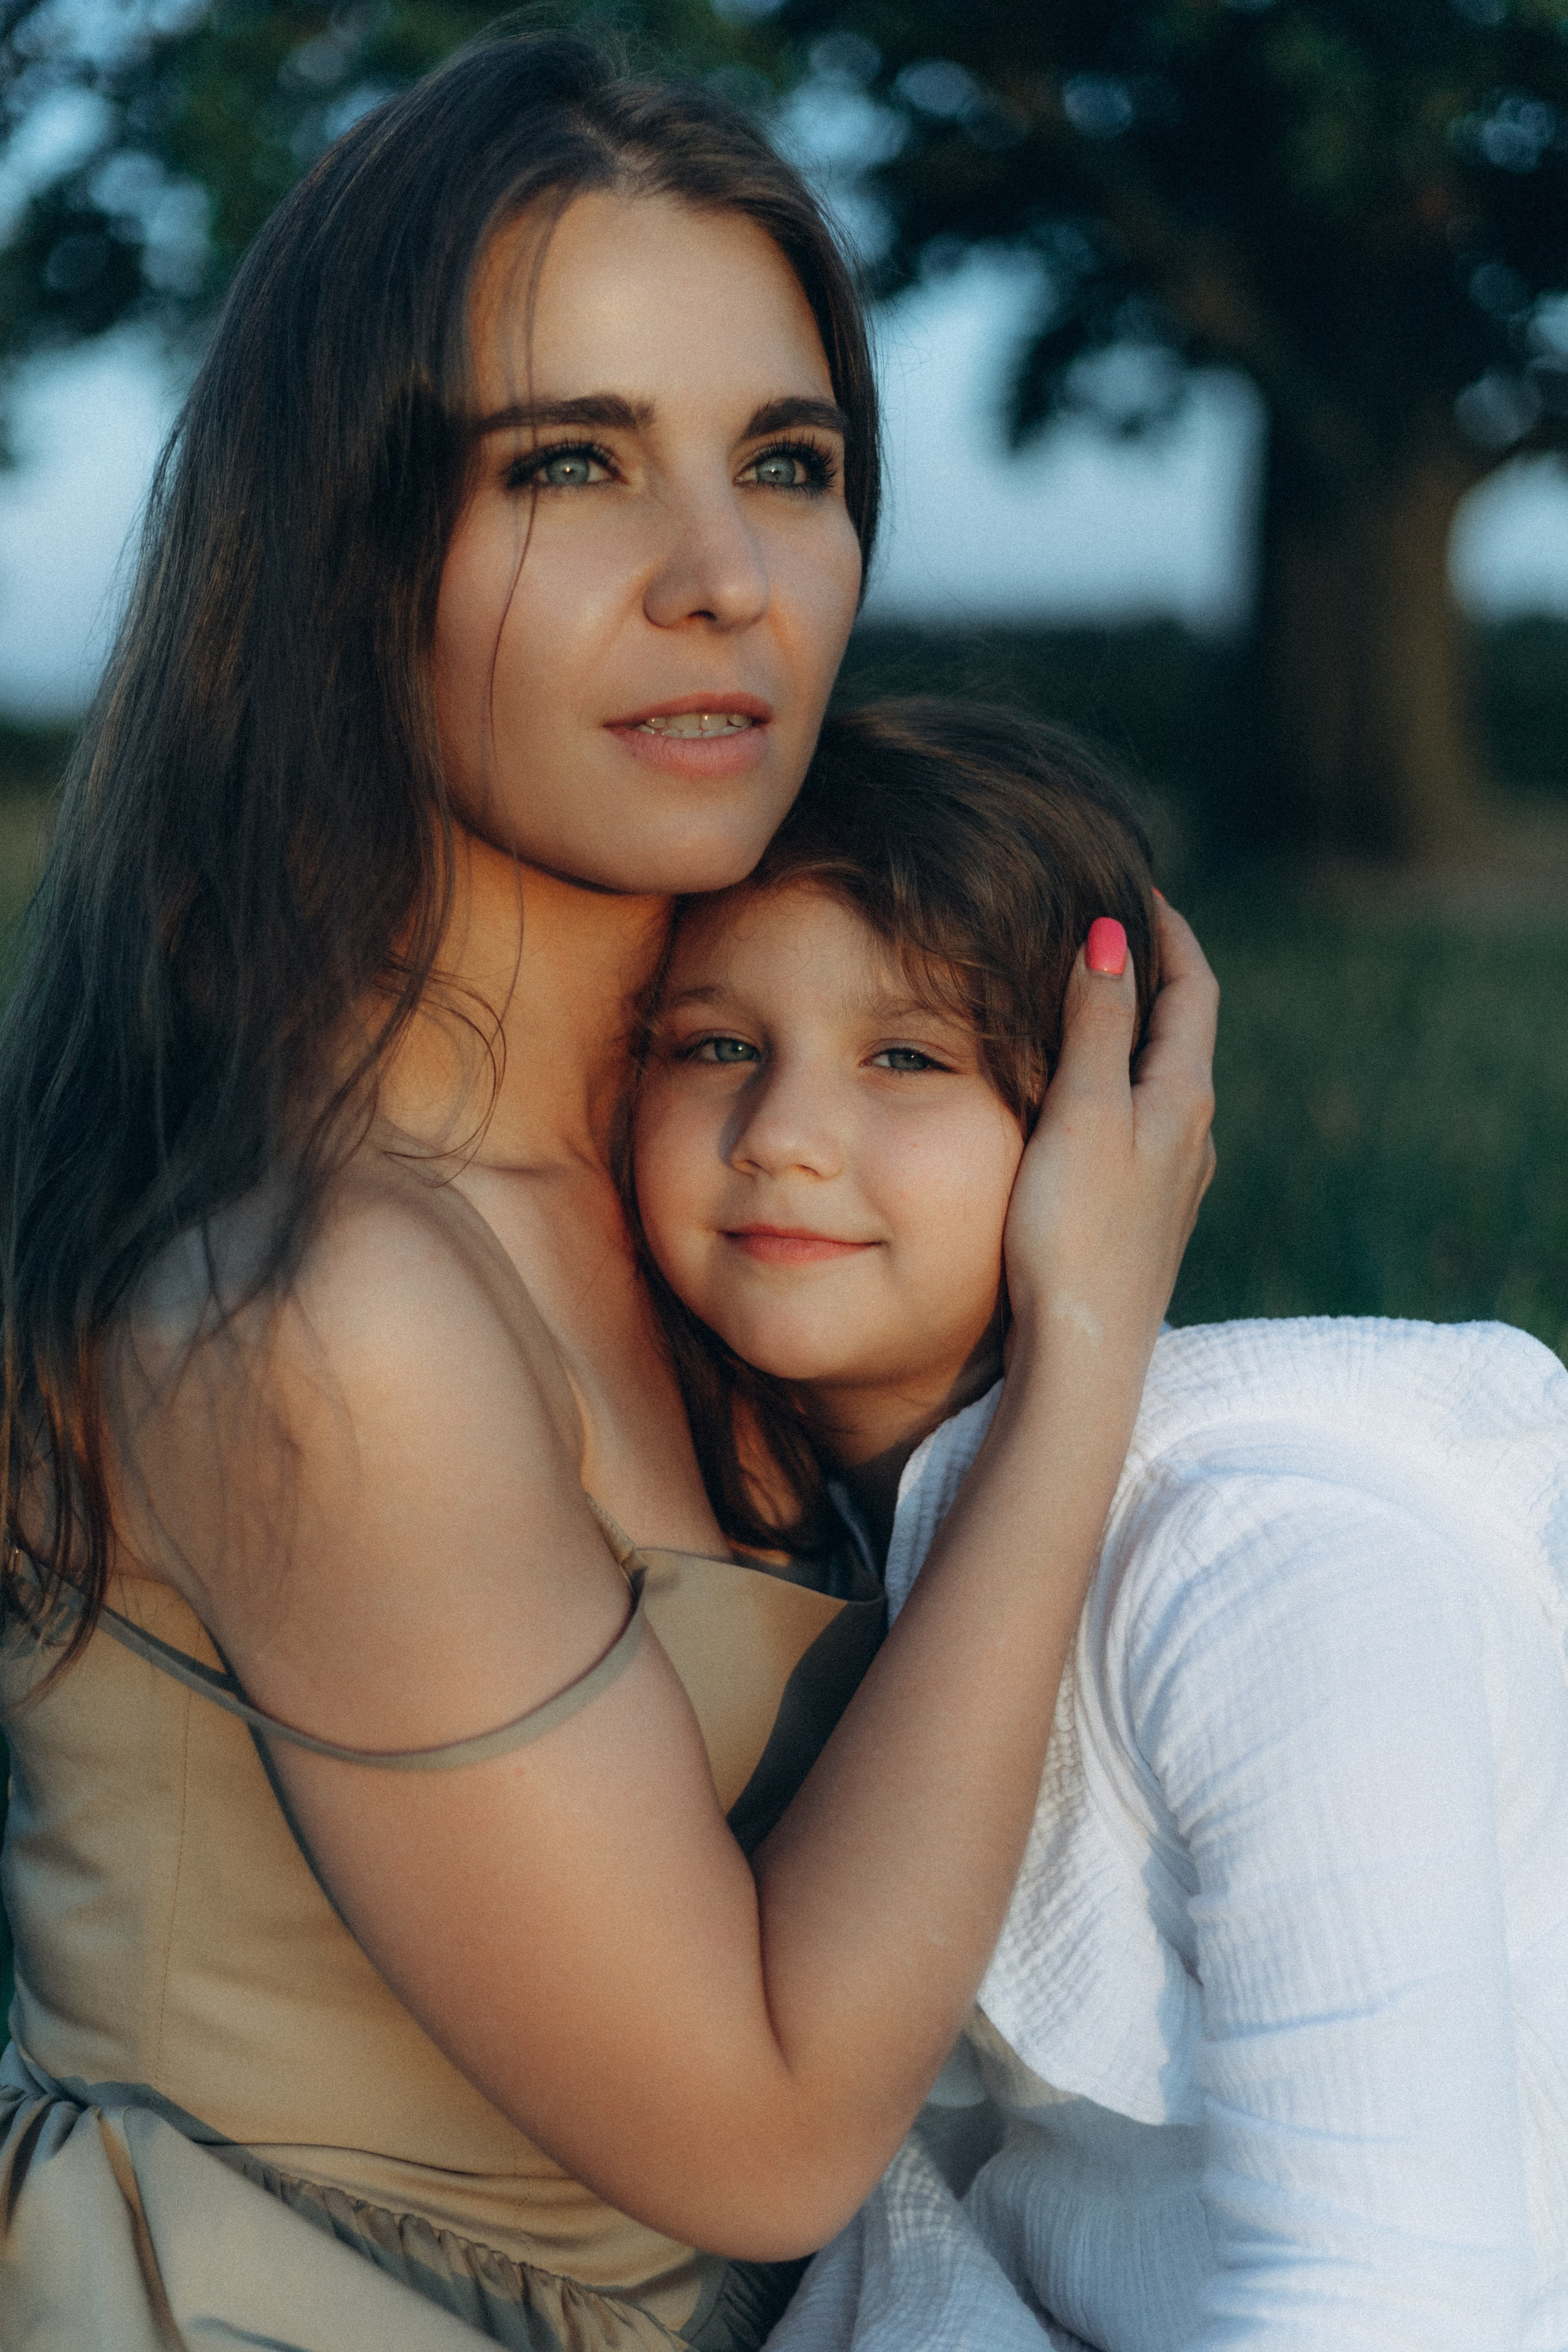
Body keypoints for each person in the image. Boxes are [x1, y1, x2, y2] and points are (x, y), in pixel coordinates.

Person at [0, 38, 1217, 2352]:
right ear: (348, 546)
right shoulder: (330, 1301)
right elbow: (760, 2136)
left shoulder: (735, 1179)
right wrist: (1085, 1357)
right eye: (571, 463)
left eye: (791, 464)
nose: (725, 580)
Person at [628, 698, 1568, 2352]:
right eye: (715, 1044)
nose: (781, 1134)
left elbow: (1400, 2297)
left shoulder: (1272, 1571)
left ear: (1106, 1124)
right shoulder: (780, 1552)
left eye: (907, 1057)